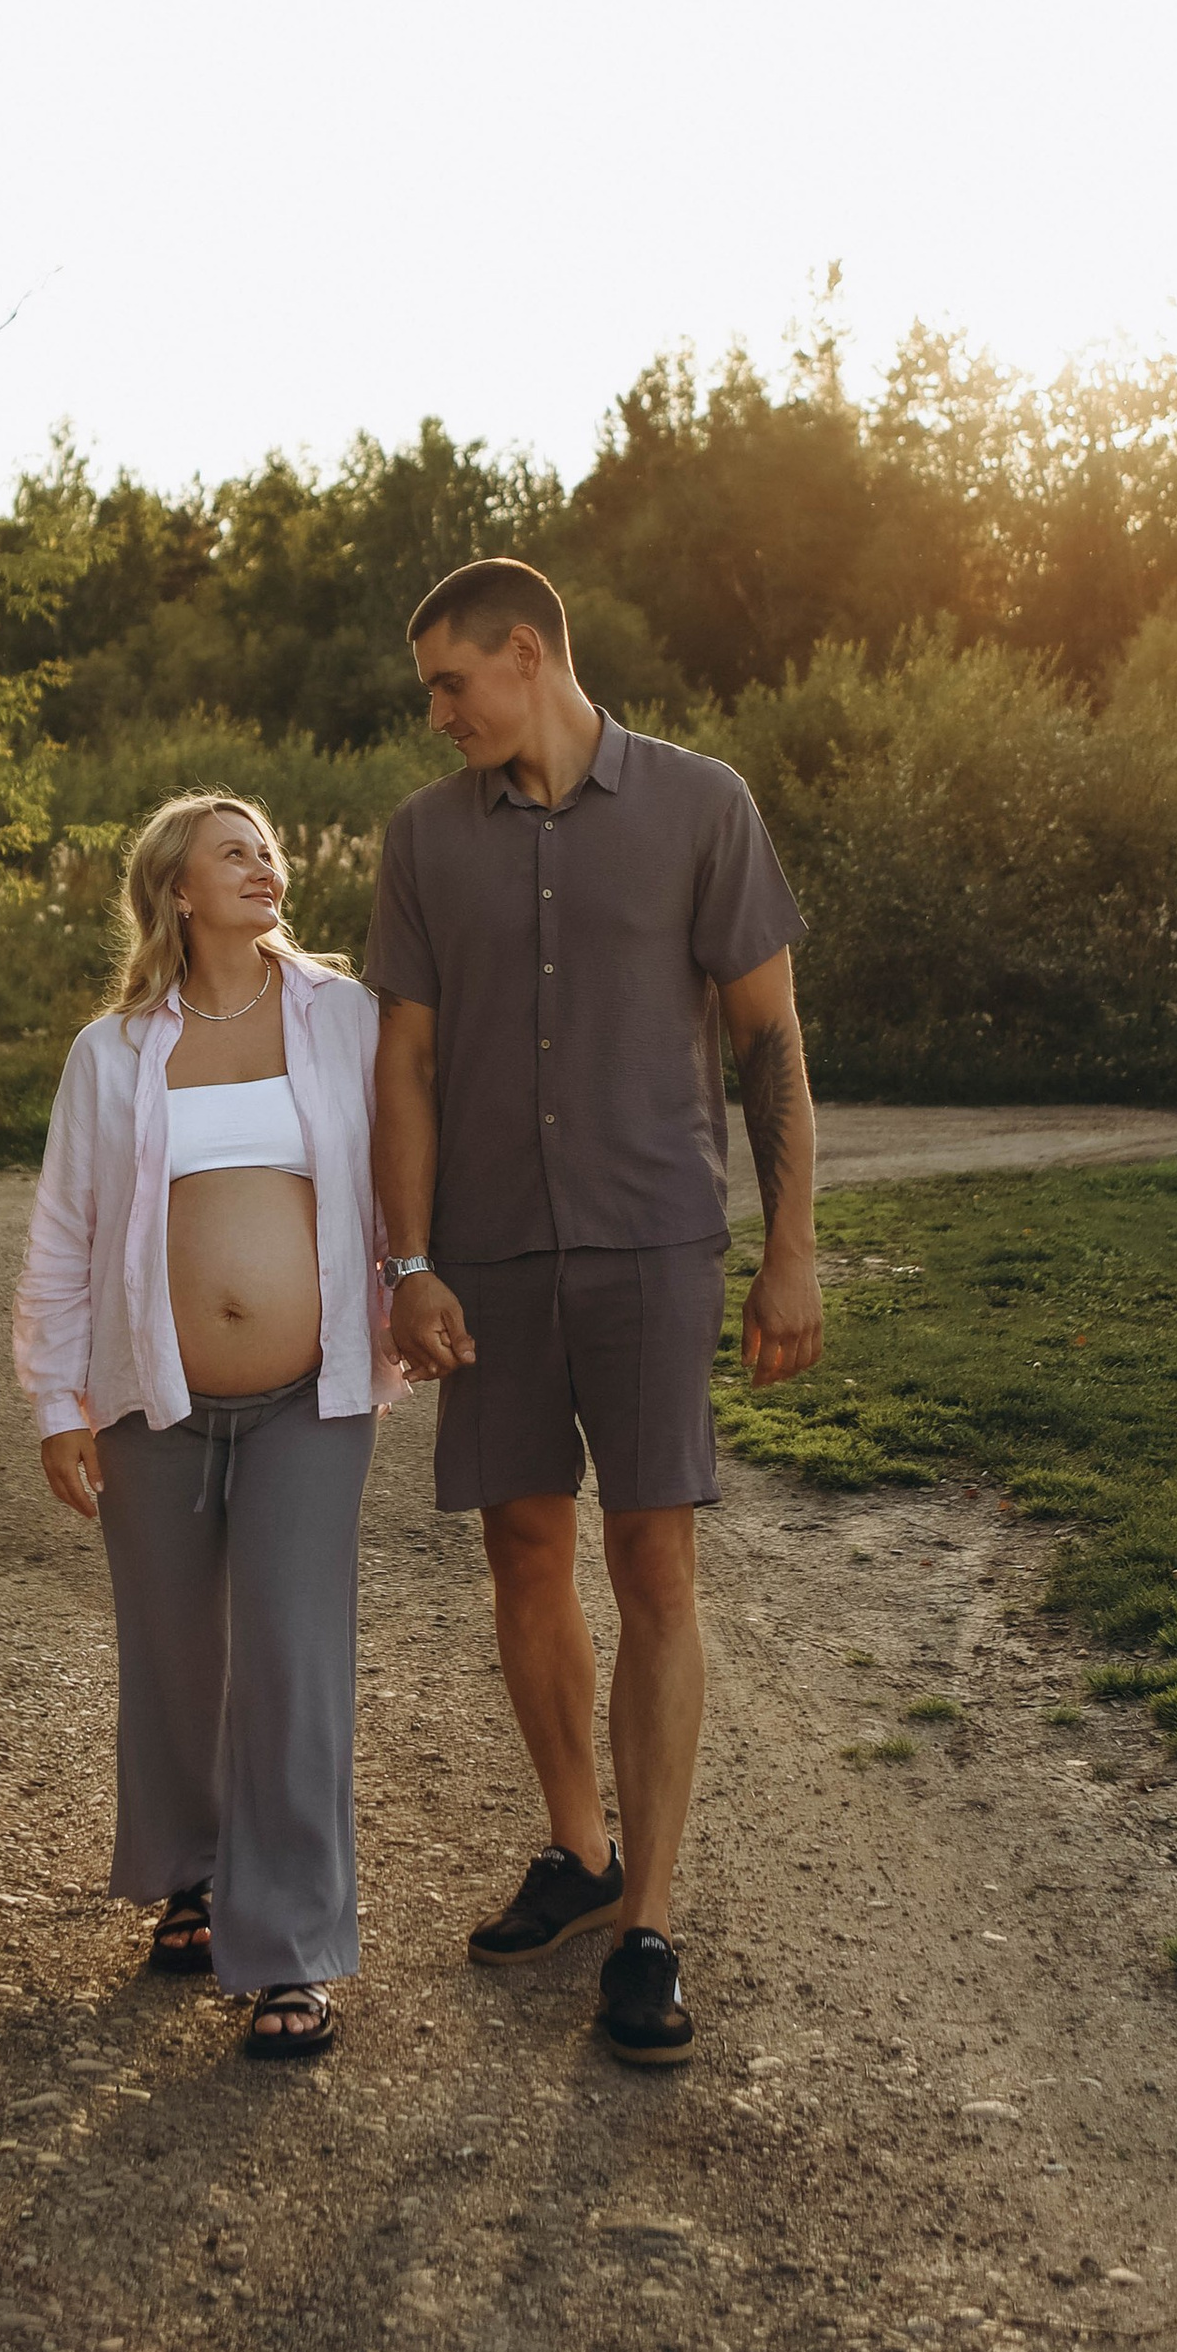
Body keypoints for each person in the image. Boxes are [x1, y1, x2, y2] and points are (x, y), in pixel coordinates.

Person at [365, 557, 823, 2069]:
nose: (437, 714)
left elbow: (769, 1045)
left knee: (655, 1557)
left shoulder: (704, 807)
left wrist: (791, 1249)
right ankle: (579, 1854)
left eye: (449, 683)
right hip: (490, 1257)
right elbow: (409, 1068)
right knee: (521, 1546)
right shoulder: (425, 841)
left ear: (525, 651)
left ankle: (652, 1926)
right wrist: (408, 1260)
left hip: (653, 1243)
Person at [14, 793, 401, 2060]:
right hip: (152, 1402)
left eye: (271, 849)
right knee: (176, 1659)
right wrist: (57, 1402)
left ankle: (288, 1952)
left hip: (309, 1395)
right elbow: (64, 1233)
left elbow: (407, 1161)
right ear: (176, 887)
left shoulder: (342, 1017)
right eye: (233, 850)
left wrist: (423, 1285)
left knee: (292, 1661)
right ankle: (191, 1874)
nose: (264, 865)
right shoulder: (112, 1051)